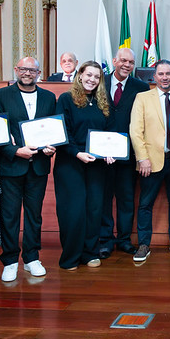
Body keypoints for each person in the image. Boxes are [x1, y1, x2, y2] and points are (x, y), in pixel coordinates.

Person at [0, 57, 57, 282]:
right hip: (10, 165)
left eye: (33, 70)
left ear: (39, 73)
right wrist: (15, 151)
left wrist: (51, 148)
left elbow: (53, 130)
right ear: (16, 70)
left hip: (38, 167)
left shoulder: (49, 97)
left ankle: (31, 258)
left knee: (33, 215)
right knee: (9, 215)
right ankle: (9, 261)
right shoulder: (1, 96)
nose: (28, 73)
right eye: (23, 69)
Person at [54, 61, 115, 270]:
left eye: (97, 77)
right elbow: (62, 133)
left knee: (94, 209)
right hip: (71, 162)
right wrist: (77, 153)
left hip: (96, 164)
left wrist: (110, 152)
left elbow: (109, 132)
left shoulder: (103, 102)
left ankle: (89, 253)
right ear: (80, 75)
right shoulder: (66, 99)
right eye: (88, 75)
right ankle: (70, 257)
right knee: (73, 211)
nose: (92, 80)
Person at [128, 59, 170, 263]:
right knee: (145, 204)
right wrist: (142, 157)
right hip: (150, 161)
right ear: (154, 77)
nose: (164, 77)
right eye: (160, 74)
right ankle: (144, 244)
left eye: (168, 74)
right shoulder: (142, 98)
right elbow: (136, 131)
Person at [99, 48, 149, 259]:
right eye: (123, 61)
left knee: (126, 199)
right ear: (114, 61)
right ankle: (105, 240)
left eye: (130, 62)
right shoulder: (99, 82)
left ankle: (124, 240)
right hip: (102, 153)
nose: (126, 65)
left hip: (128, 154)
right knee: (103, 199)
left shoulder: (141, 87)